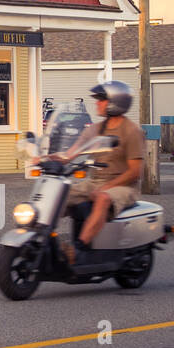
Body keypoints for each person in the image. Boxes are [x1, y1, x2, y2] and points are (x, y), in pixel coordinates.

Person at [48, 80, 143, 262]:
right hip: (94, 181)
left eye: (101, 100)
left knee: (102, 198)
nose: (96, 103)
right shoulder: (95, 129)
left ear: (115, 102)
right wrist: (44, 158)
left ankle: (78, 249)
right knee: (57, 195)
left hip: (123, 186)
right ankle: (42, 240)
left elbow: (135, 171)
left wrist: (107, 187)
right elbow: (69, 155)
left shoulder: (131, 131)